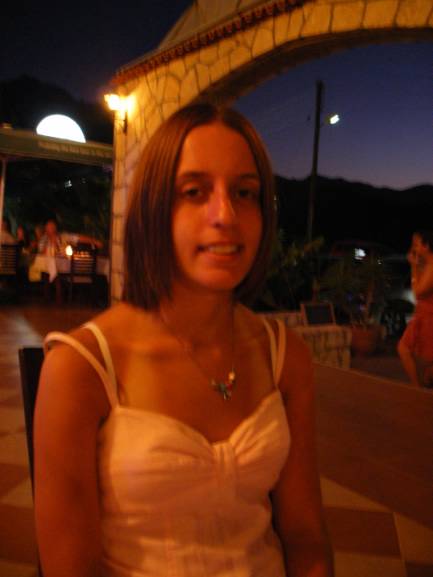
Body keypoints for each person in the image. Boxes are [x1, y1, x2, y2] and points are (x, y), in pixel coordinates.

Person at [34, 103, 334, 577]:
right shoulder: (82, 367)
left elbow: (306, 538)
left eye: (245, 192)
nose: (226, 215)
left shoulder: (283, 355)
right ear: (154, 208)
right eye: (194, 191)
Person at [398, 230, 433, 387]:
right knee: (409, 351)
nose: (413, 249)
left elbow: (418, 291)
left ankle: (417, 389)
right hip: (423, 315)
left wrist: (413, 266)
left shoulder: (432, 267)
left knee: (405, 349)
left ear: (426, 246)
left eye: (416, 245)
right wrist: (416, 266)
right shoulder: (427, 265)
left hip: (429, 317)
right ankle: (418, 387)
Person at [38, 218, 103, 255]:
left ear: (56, 227)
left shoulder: (63, 236)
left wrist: (95, 241)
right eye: (49, 225)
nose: (52, 227)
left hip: (65, 266)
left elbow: (77, 238)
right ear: (45, 228)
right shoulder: (43, 239)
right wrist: (51, 245)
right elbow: (41, 254)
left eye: (53, 225)